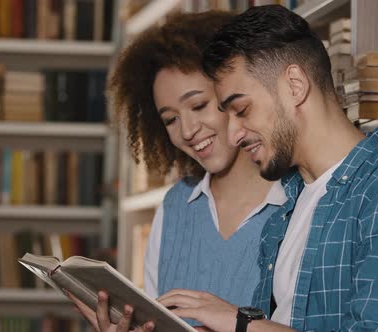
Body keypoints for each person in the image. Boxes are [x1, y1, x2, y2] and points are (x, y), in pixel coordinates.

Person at [158, 5, 378, 332]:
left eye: (241, 110)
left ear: (295, 86)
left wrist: (241, 324)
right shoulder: (288, 207)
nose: (233, 134)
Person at [68, 10, 300, 332]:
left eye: (199, 105)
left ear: (234, 94)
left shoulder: (300, 200)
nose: (188, 130)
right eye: (170, 119)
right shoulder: (174, 207)